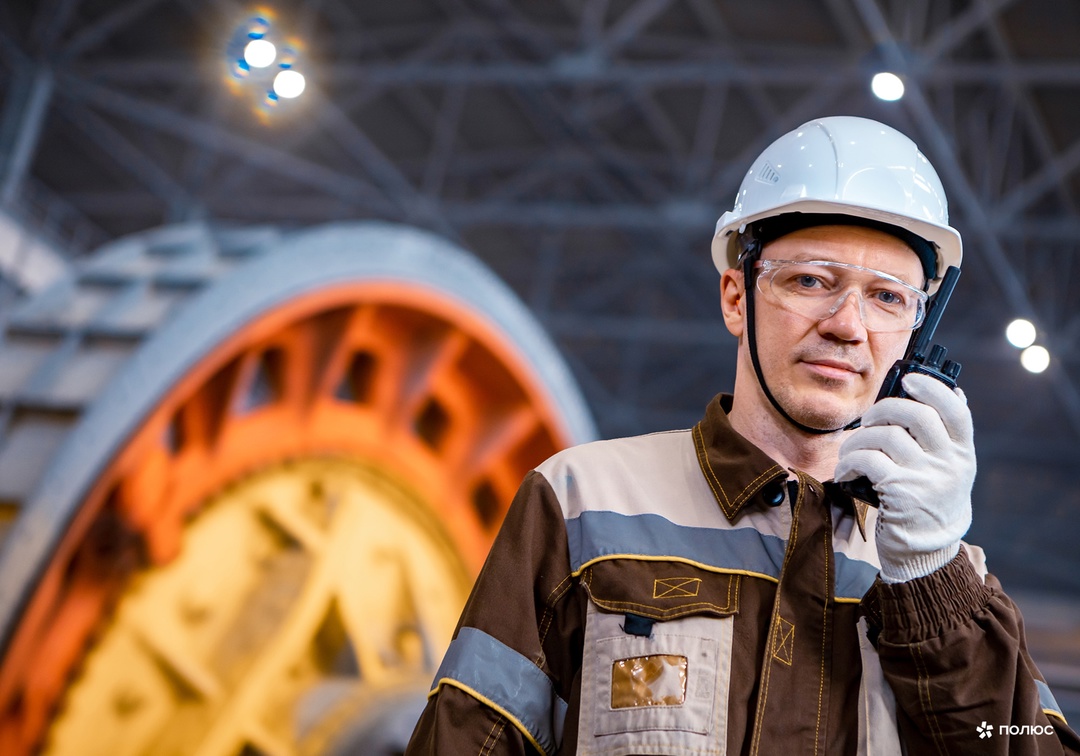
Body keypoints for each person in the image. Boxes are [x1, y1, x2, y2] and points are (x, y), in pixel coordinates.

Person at [405, 116, 1080, 755]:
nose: (848, 325)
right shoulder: (583, 503)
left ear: (915, 330)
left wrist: (932, 583)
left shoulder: (950, 578)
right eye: (812, 280)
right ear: (736, 297)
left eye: (887, 298)